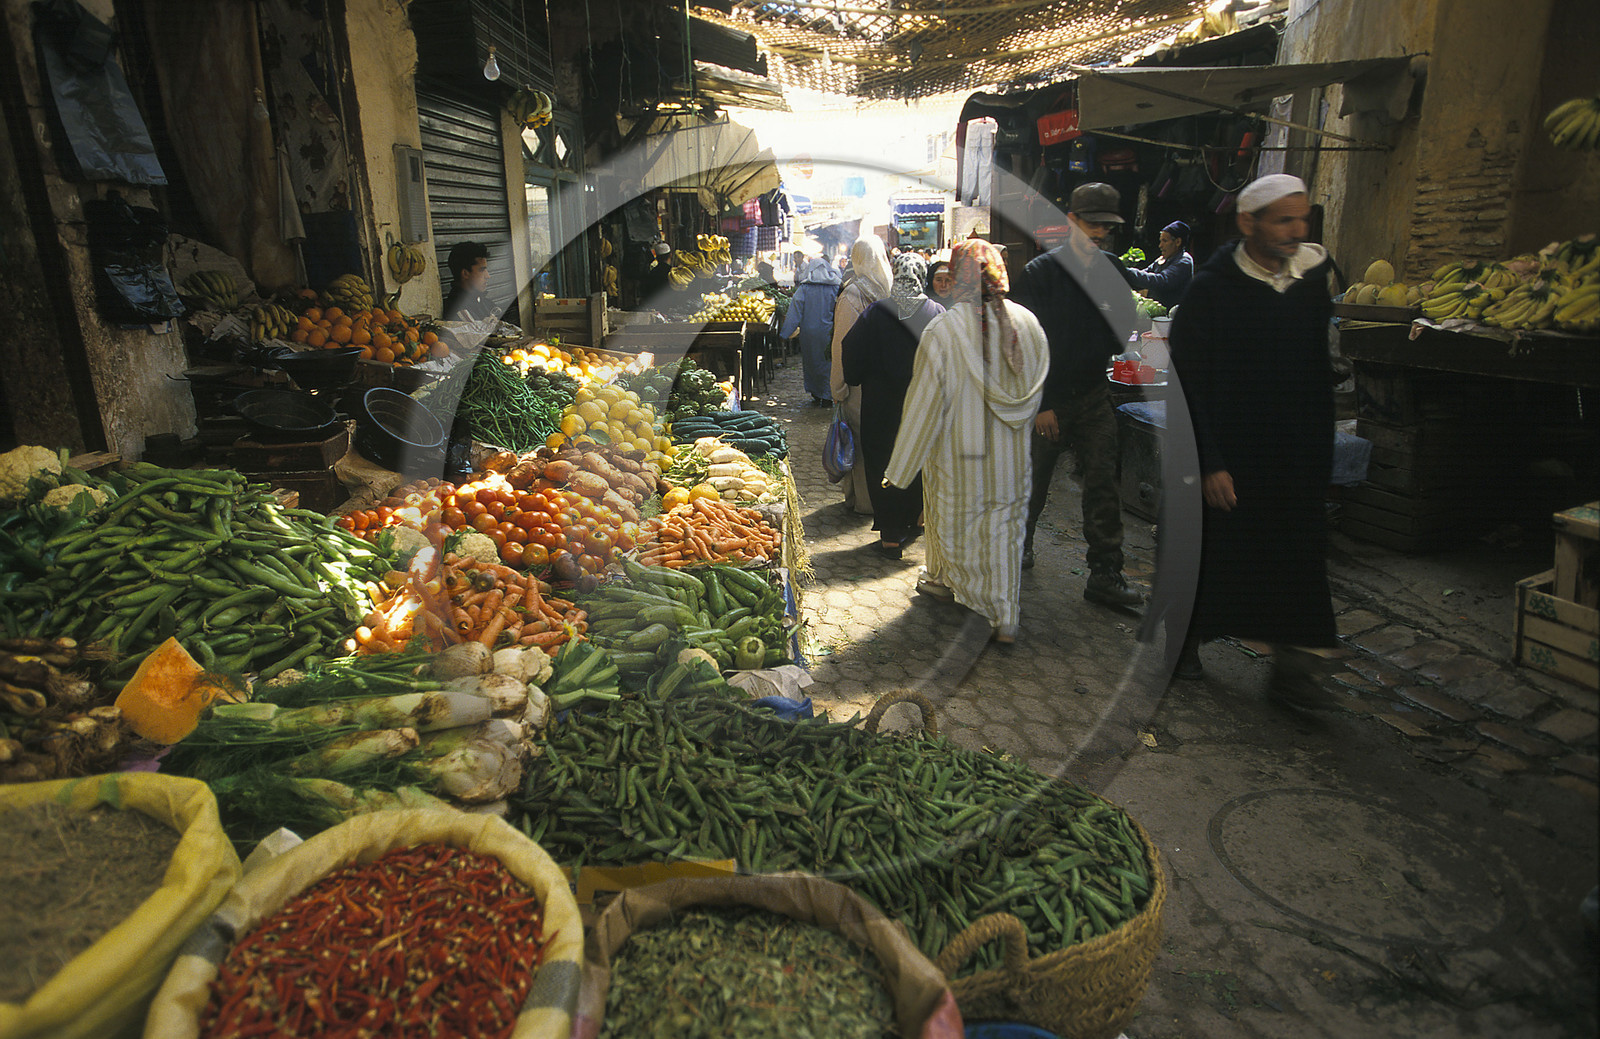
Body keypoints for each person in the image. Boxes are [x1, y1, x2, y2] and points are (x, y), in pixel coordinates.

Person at [1166, 173, 1339, 708]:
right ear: (1249, 223)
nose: (1296, 230)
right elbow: (1187, 383)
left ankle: (1296, 673)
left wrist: (1319, 451)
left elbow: (1318, 367)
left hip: (1293, 453)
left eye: (1302, 218)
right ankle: (1183, 641)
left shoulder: (1311, 280)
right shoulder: (1212, 290)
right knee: (1211, 554)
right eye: (1283, 219)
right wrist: (1209, 462)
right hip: (1231, 453)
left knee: (1298, 558)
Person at [884, 240, 1050, 644]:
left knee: (962, 523)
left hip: (959, 452)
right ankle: (981, 601)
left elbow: (924, 402)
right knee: (1004, 528)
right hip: (1009, 455)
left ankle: (987, 608)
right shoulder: (1028, 323)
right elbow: (1038, 384)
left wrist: (900, 467)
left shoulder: (944, 329)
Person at [1009, 182, 1145, 608]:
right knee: (1031, 484)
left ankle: (1106, 573)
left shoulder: (1112, 269)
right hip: (1047, 400)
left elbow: (1130, 327)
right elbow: (1021, 345)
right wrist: (1042, 403)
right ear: (1072, 222)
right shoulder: (1040, 274)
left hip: (1092, 394)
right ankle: (1016, 551)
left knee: (1103, 484)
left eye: (1106, 225)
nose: (1100, 232)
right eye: (1092, 223)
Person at [841, 253, 945, 558]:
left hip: (881, 405)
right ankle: (914, 519)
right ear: (922, 276)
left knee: (882, 463)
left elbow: (852, 350)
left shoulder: (876, 312)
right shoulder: (936, 312)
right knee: (918, 460)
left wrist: (858, 378)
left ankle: (890, 532)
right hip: (922, 405)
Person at [830, 236, 893, 514]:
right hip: (886, 380)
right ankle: (882, 499)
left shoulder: (852, 294)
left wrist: (838, 386)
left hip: (858, 383)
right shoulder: (888, 289)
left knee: (857, 441)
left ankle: (863, 503)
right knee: (880, 440)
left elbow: (841, 344)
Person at [778, 255, 841, 406]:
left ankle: (816, 393)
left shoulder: (805, 288)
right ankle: (827, 395)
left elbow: (795, 312)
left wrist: (785, 333)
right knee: (827, 363)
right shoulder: (835, 287)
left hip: (808, 334)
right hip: (829, 332)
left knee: (811, 362)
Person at [1124, 221, 1195, 310]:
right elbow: (1145, 273)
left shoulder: (1184, 261)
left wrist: (1127, 271)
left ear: (1178, 242)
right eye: (1160, 241)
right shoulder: (1162, 259)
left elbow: (1161, 281)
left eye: (1164, 241)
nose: (1160, 245)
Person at [442, 241, 493, 322]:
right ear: (465, 273)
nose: (487, 276)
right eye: (482, 270)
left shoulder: (484, 302)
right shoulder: (458, 310)